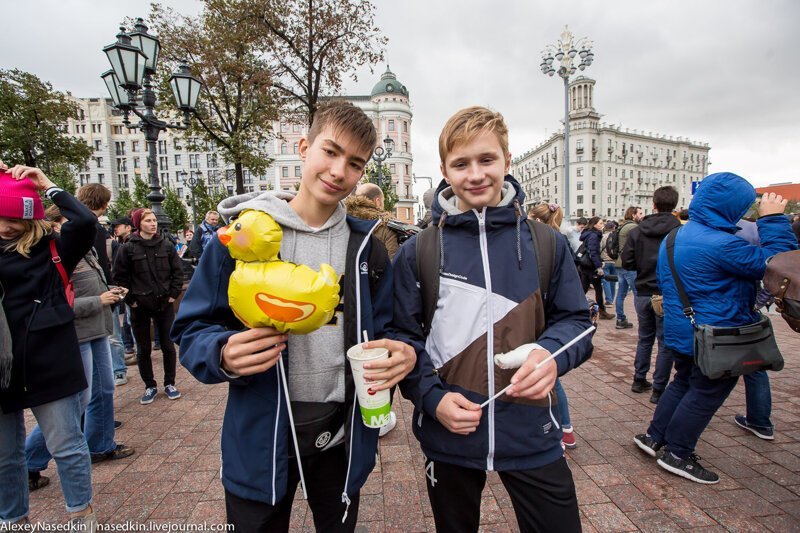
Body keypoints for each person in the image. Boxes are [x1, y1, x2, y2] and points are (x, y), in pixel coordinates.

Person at [171, 100, 417, 532]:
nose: (340, 170)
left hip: (340, 438)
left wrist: (402, 352)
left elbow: (392, 330)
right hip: (260, 439)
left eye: (355, 163)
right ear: (304, 147)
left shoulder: (368, 250)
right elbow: (191, 329)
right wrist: (222, 352)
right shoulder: (243, 236)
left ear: (362, 174)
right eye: (331, 151)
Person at [393, 107, 592, 531]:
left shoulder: (546, 243)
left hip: (532, 428)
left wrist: (551, 355)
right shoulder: (420, 250)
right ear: (444, 170)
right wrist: (432, 399)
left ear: (507, 160)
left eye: (487, 160)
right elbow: (402, 338)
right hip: (450, 432)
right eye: (461, 164)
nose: (475, 174)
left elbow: (577, 322)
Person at [633, 173, 797, 484]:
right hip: (716, 334)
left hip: (684, 330)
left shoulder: (676, 235)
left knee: (683, 382)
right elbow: (780, 263)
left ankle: (654, 437)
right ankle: (678, 453)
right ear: (731, 207)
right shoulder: (722, 244)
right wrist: (773, 220)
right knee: (707, 391)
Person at [0, 165, 97, 529]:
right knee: (5, 457)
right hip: (2, 365)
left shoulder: (51, 247)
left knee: (67, 447)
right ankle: (12, 519)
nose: (7, 225)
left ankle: (81, 514)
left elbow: (86, 222)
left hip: (48, 359)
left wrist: (46, 184)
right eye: (0, 216)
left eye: (15, 217)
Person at [25, 204, 135, 482]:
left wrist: (109, 292)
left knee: (103, 390)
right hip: (76, 334)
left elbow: (87, 288)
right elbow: (55, 304)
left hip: (96, 329)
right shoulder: (53, 255)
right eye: (66, 221)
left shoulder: (84, 252)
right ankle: (29, 461)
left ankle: (99, 445)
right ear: (52, 225)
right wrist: (98, 301)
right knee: (76, 402)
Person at [113, 208, 184, 405]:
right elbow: (120, 276)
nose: (153, 224)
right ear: (138, 224)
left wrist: (173, 294)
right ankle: (150, 385)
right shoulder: (128, 248)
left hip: (164, 303)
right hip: (140, 305)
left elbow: (177, 272)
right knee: (143, 348)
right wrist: (131, 300)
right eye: (148, 221)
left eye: (154, 220)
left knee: (168, 346)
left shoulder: (166, 245)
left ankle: (170, 383)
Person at [621, 186, 681, 401]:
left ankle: (639, 379)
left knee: (644, 338)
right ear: (674, 205)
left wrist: (643, 265)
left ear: (653, 205)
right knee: (665, 342)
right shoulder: (679, 231)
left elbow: (626, 261)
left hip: (644, 291)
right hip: (668, 293)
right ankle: (658, 388)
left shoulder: (638, 231)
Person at [528, 202, 580, 449]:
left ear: (536, 220)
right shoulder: (559, 239)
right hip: (549, 313)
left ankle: (563, 428)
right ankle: (565, 428)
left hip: (543, 315)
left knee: (548, 375)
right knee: (549, 374)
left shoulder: (545, 242)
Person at [344, 182, 400, 260]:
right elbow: (393, 260)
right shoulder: (386, 225)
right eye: (383, 201)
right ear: (378, 201)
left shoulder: (344, 221)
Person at [111, 217, 136, 362]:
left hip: (131, 290)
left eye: (118, 226)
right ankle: (131, 348)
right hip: (126, 290)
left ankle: (136, 351)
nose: (115, 228)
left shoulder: (127, 245)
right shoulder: (120, 243)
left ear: (128, 227)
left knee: (130, 321)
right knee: (127, 321)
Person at [579, 216, 615, 320]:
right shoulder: (594, 236)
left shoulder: (589, 234)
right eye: (600, 223)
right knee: (598, 289)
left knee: (584, 288)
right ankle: (602, 311)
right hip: (591, 266)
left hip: (586, 266)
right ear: (594, 224)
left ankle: (574, 307)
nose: (602, 225)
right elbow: (593, 252)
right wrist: (598, 266)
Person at [614, 206, 642, 329]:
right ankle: (642, 320)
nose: (642, 215)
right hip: (629, 264)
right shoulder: (633, 227)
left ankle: (620, 318)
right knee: (637, 292)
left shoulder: (622, 226)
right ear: (633, 215)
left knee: (621, 292)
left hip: (620, 262)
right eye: (640, 213)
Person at [600, 221, 617, 306]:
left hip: (605, 261)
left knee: (606, 281)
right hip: (614, 261)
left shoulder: (603, 237)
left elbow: (600, 248)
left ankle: (609, 300)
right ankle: (612, 299)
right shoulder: (616, 237)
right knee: (613, 281)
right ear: (614, 228)